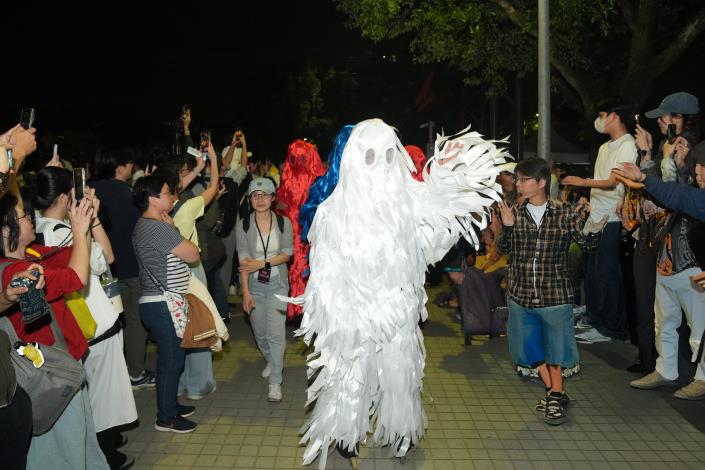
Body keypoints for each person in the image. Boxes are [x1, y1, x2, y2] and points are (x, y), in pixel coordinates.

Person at [32, 167, 138, 469]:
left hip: (68, 327)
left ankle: (107, 445)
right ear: (66, 197)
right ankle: (107, 456)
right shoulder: (66, 233)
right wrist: (91, 219)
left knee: (89, 394)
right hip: (95, 325)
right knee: (103, 399)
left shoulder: (35, 230)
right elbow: (107, 257)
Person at [0, 192, 110, 469]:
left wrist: (83, 227)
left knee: (80, 443)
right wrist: (79, 228)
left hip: (60, 370)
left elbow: (75, 260)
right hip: (48, 376)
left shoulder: (29, 257)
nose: (32, 220)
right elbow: (77, 277)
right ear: (5, 230)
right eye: (25, 215)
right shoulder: (18, 273)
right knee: (65, 452)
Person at [496, 158, 596, 425]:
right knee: (529, 350)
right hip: (521, 294)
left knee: (556, 351)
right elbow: (504, 249)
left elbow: (586, 244)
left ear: (541, 183)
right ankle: (554, 393)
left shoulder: (565, 212)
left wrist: (592, 224)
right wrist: (506, 227)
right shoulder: (514, 212)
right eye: (517, 179)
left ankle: (556, 395)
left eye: (523, 179)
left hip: (555, 294)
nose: (518, 184)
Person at [562, 100, 638, 343]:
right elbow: (601, 183)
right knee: (592, 274)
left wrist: (582, 183)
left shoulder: (628, 145)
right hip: (595, 218)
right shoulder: (605, 147)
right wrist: (587, 199)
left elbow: (614, 181)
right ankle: (594, 320)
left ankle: (610, 328)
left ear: (614, 116)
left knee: (607, 274)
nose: (599, 120)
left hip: (613, 219)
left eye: (602, 114)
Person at [132, 174, 200, 433]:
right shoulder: (155, 227)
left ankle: (169, 405)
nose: (172, 197)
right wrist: (173, 230)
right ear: (152, 199)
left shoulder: (148, 225)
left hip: (159, 303)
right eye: (166, 193)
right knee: (172, 361)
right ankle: (166, 417)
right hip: (162, 304)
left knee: (170, 359)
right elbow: (193, 254)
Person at [91, 146, 155, 389]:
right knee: (135, 322)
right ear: (120, 167)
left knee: (109, 323)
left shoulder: (90, 191)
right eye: (130, 164)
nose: (133, 168)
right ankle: (135, 372)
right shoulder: (128, 195)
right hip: (129, 267)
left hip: (100, 271)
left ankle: (111, 373)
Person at [235, 177, 293, 402]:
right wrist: (245, 291)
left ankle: (276, 382)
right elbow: (243, 260)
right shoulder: (244, 225)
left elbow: (287, 254)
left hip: (278, 284)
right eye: (255, 196)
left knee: (276, 334)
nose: (260, 199)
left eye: (265, 195)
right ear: (250, 199)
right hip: (255, 287)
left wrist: (263, 264)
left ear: (272, 197)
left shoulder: (283, 223)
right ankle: (271, 359)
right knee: (260, 334)